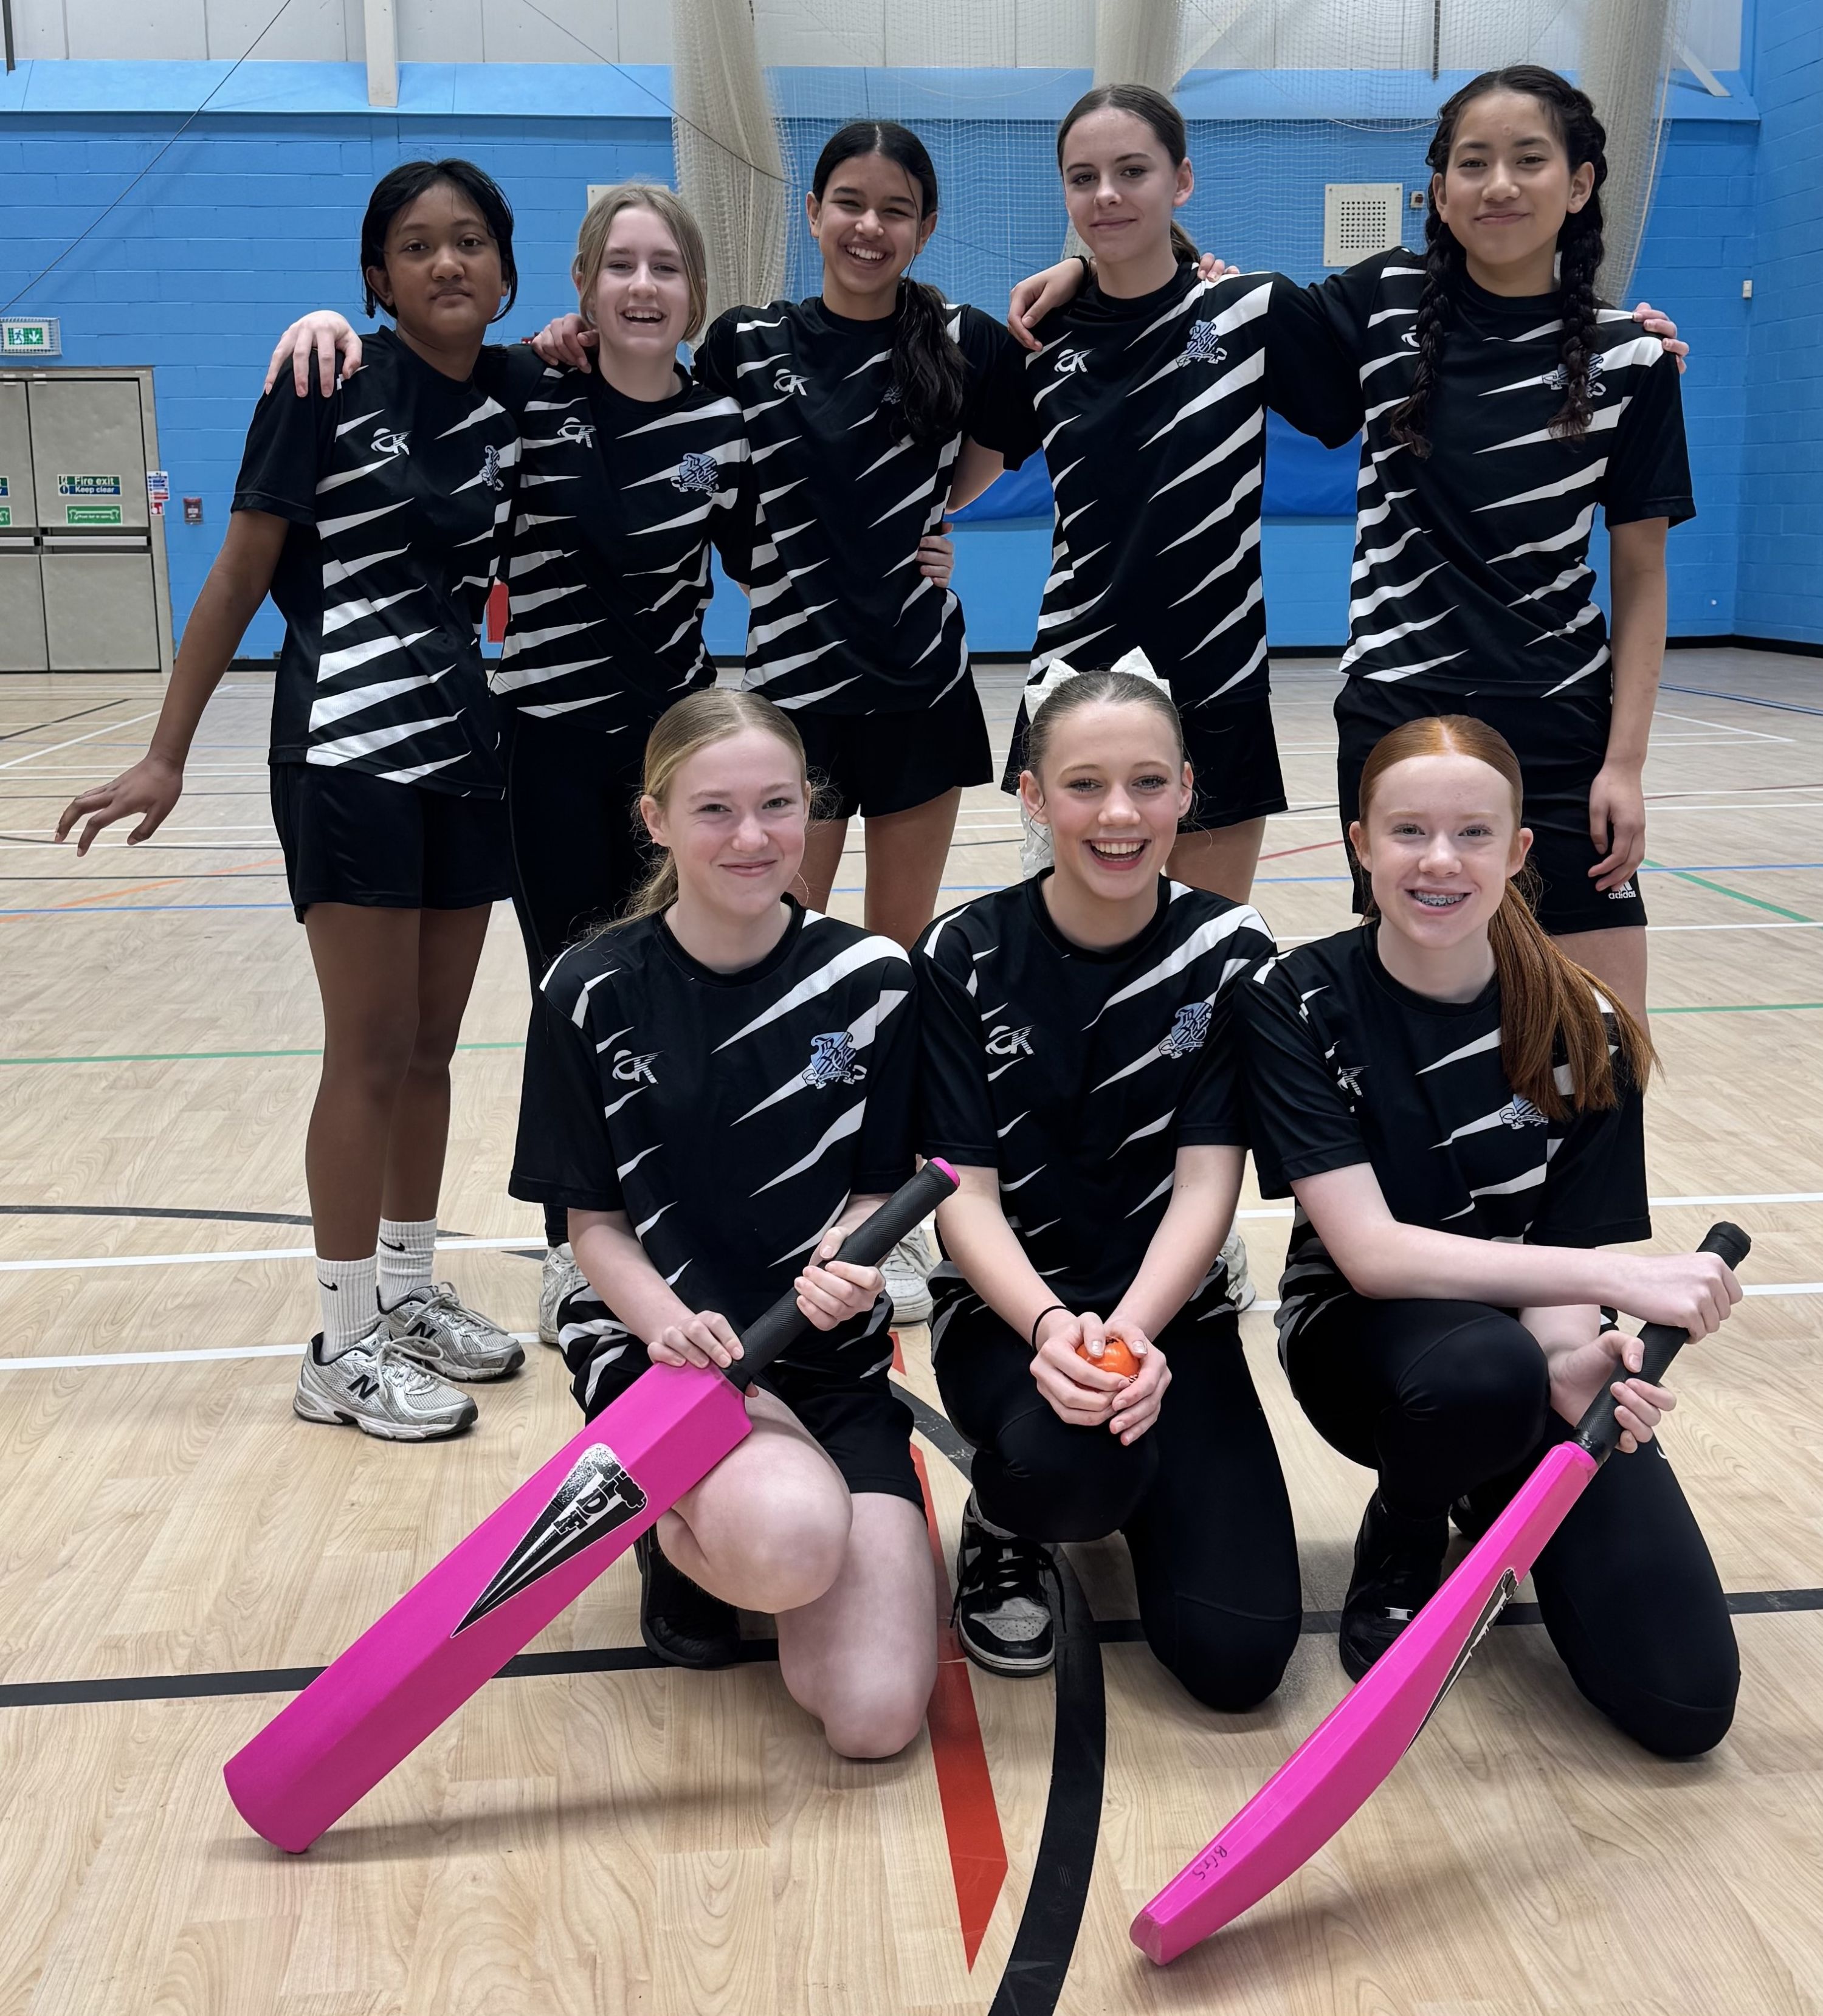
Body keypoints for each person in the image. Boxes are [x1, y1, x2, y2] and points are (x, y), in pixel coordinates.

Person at [261, 184, 962, 1339]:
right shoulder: (528, 392)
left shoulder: (724, 427)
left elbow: (790, 543)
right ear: (581, 287)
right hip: (539, 751)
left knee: (697, 994)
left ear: (696, 294)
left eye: (666, 267)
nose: (644, 286)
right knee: (575, 999)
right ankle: (573, 1248)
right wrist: (323, 322)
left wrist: (922, 546)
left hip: (674, 759)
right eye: (620, 266)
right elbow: (420, 363)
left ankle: (712, 1225)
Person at [57, 159, 528, 1439]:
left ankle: (410, 1291)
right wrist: (166, 752)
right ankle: (340, 1340)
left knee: (431, 1048)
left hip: (465, 755)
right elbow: (237, 576)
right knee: (366, 1050)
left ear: (505, 267)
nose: (446, 262)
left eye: (470, 240)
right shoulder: (323, 381)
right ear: (376, 278)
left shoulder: (519, 395)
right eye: (416, 245)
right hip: (343, 754)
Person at [1238, 713, 1742, 1755]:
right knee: (1481, 1369)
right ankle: (1408, 1526)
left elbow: (1565, 1267)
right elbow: (1370, 1252)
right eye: (1409, 831)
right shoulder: (1298, 1001)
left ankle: (1484, 1469)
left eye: (1473, 834)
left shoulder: (1586, 1025)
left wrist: (1571, 1360)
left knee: (1686, 1698)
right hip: (1361, 1345)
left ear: (1517, 851)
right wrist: (1626, 1284)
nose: (1440, 860)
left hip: (1518, 1355)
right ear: (1359, 844)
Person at [509, 687, 936, 1747]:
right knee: (788, 1538)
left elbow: (881, 1184)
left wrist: (854, 1245)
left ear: (809, 807)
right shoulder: (590, 989)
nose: (752, 837)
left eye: (777, 805)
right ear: (655, 819)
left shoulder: (874, 979)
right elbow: (593, 1225)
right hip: (670, 1360)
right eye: (715, 810)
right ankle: (674, 1517)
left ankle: (767, 1505)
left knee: (875, 1717)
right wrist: (665, 1324)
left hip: (822, 1353)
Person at [913, 666, 1301, 1707]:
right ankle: (1008, 1517)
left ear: (1186, 790)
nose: (1119, 814)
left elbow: (1208, 1181)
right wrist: (1054, 1329)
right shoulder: (963, 953)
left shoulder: (1230, 947)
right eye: (1084, 784)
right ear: (1033, 797)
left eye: (1147, 783)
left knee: (1238, 1658)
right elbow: (963, 1195)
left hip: (1172, 1317)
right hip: (1010, 1315)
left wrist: (1129, 1338)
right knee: (1066, 1470)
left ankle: (1139, 1480)